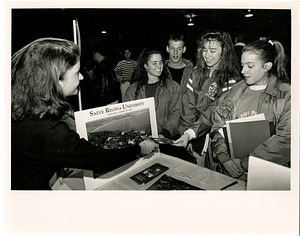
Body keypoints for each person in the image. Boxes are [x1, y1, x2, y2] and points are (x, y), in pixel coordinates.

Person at [11, 38, 157, 190]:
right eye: (76, 73)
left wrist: (54, 161)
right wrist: (140, 148)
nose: (81, 77)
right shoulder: (51, 131)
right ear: (56, 80)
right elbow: (101, 159)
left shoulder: (22, 110)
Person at [209, 39, 290, 180]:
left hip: (266, 175)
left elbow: (285, 140)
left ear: (267, 66)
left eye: (250, 66)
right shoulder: (236, 91)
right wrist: (224, 158)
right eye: (242, 65)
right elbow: (218, 125)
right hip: (231, 170)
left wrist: (246, 163)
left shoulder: (285, 95)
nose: (242, 71)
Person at [174, 29, 241, 159]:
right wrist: (186, 134)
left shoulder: (230, 79)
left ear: (224, 52)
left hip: (218, 137)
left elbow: (215, 112)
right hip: (194, 136)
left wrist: (191, 133)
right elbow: (187, 106)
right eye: (204, 50)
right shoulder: (195, 73)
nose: (207, 55)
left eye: (212, 51)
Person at [124, 46, 196, 163]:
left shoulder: (173, 87)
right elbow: (128, 118)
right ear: (145, 66)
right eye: (154, 63)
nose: (159, 66)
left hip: (165, 141)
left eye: (161, 62)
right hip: (141, 144)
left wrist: (165, 133)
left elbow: (176, 112)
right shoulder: (132, 90)